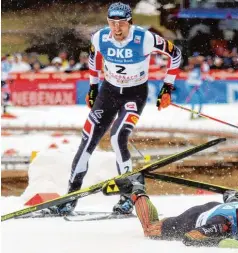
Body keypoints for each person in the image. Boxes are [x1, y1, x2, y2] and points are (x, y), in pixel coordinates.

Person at [50, 2, 181, 215]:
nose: (117, 29)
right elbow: (94, 59)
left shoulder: (145, 38)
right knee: (87, 139)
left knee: (117, 137)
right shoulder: (100, 37)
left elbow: (175, 55)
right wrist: (93, 88)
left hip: (134, 94)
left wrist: (167, 87)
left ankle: (128, 196)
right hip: (108, 93)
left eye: (121, 23)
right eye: (112, 23)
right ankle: (71, 196)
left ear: (130, 23)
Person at [111, 174, 238, 248]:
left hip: (237, 209)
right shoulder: (221, 224)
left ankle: (232, 197)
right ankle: (136, 189)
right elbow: (190, 237)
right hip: (198, 217)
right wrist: (221, 241)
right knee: (150, 229)